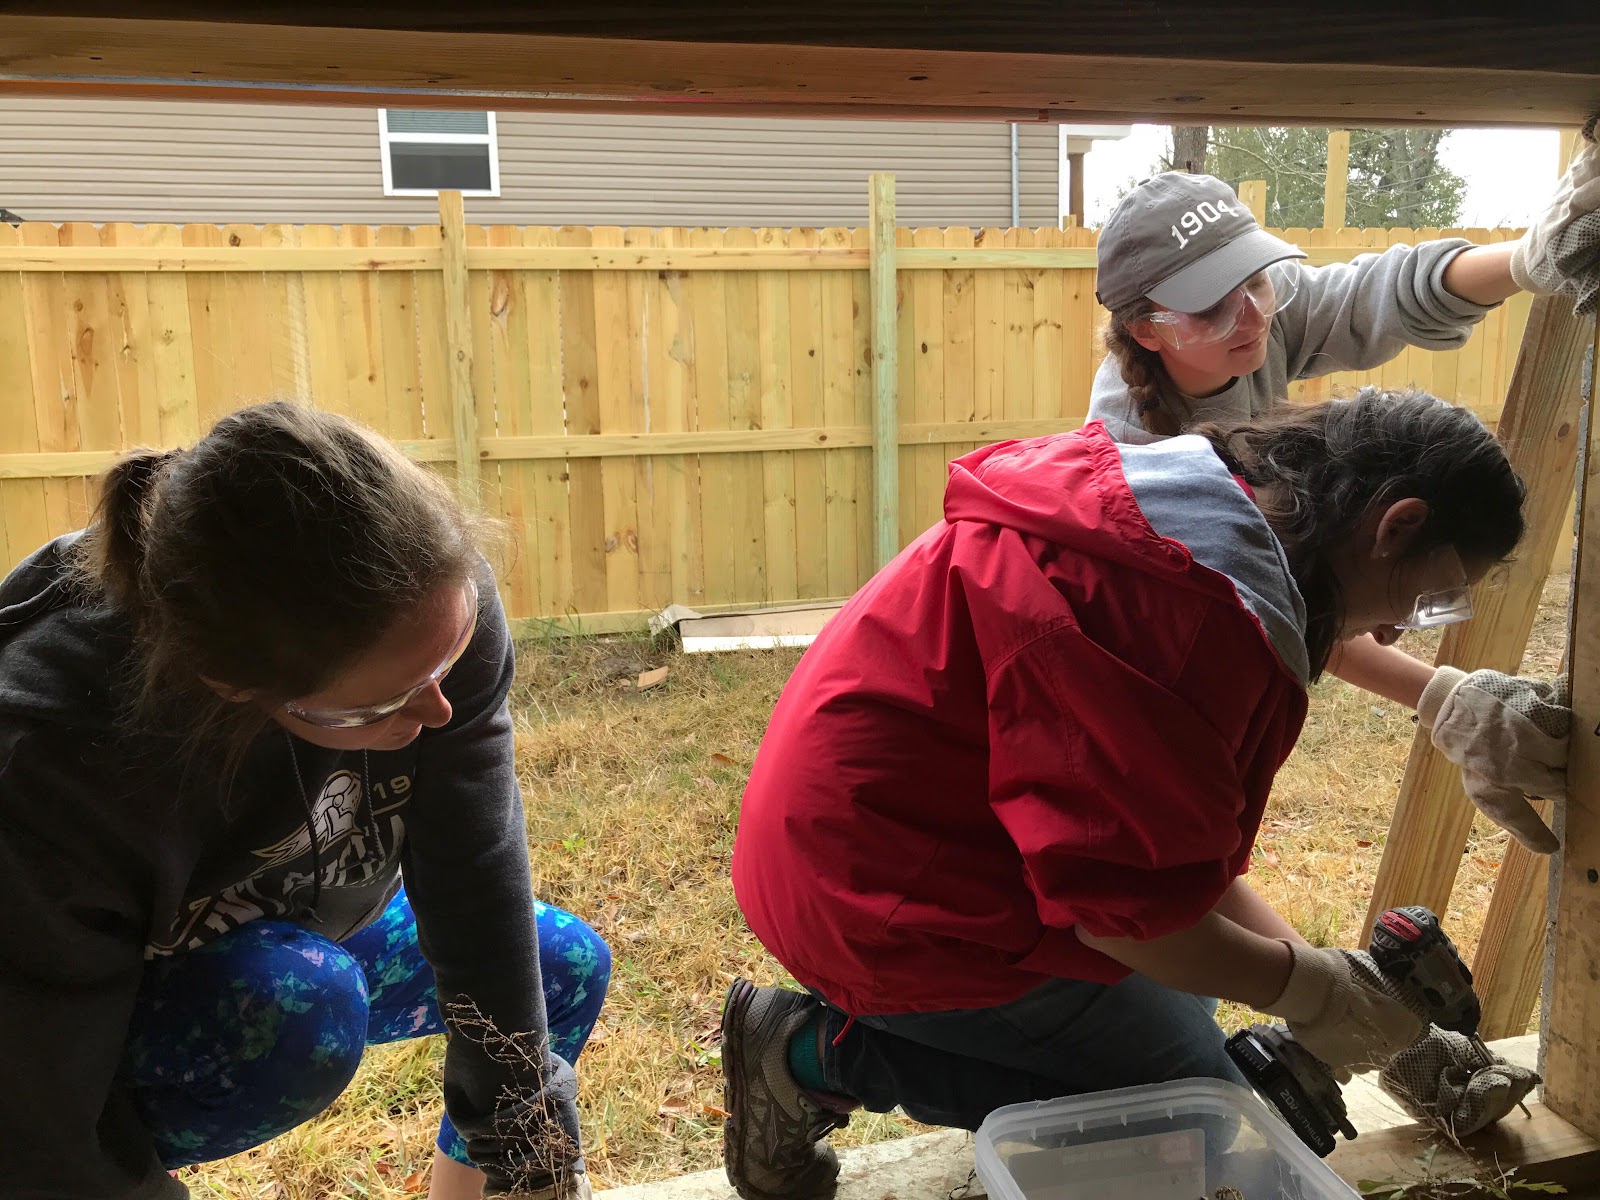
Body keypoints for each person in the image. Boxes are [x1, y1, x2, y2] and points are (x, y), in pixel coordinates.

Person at [719, 390, 1530, 1200]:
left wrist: (1350, 1002)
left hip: (894, 838)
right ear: (1396, 527)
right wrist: (1315, 988)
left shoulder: (1198, 513)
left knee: (1195, 1004)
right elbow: (1125, 915)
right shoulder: (1181, 618)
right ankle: (810, 1058)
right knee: (1185, 1129)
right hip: (874, 897)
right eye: (1432, 597)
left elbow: (1161, 861)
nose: (1394, 634)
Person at [0, 402, 610, 1200]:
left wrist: (528, 1152)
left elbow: (475, 872)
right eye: (380, 706)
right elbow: (39, 1128)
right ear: (231, 688)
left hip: (296, 923)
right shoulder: (54, 761)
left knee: (559, 966)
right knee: (303, 1007)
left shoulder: (430, 608)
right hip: (77, 1025)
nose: (438, 711)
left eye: (450, 659)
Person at [1085, 155, 1599, 852]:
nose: (1253, 314)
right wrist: (1441, 695)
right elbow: (1269, 603)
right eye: (1212, 305)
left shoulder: (1250, 318)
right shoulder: (1137, 458)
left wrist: (1528, 260)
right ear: (1147, 329)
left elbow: (1379, 294)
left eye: (1257, 280)